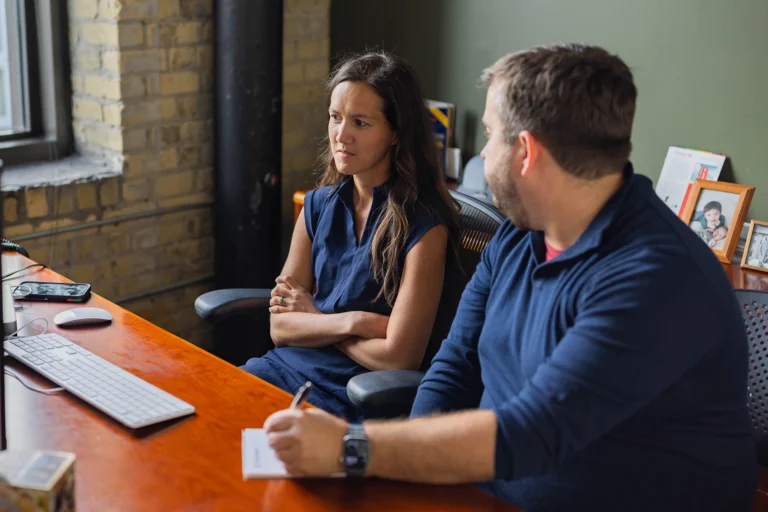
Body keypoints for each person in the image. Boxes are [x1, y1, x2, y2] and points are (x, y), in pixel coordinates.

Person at [263, 44, 757, 511]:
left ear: (526, 152)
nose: (482, 154)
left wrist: (351, 448)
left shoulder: (655, 278)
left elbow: (533, 434)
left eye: (491, 134)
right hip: (485, 490)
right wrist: (413, 487)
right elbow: (452, 370)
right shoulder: (518, 236)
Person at [240, 52, 460, 422]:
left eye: (360, 122)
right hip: (279, 370)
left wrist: (313, 318)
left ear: (396, 133)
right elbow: (280, 327)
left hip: (351, 399)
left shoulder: (426, 227)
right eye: (335, 117)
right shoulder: (316, 205)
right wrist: (355, 323)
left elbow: (399, 357)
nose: (341, 136)